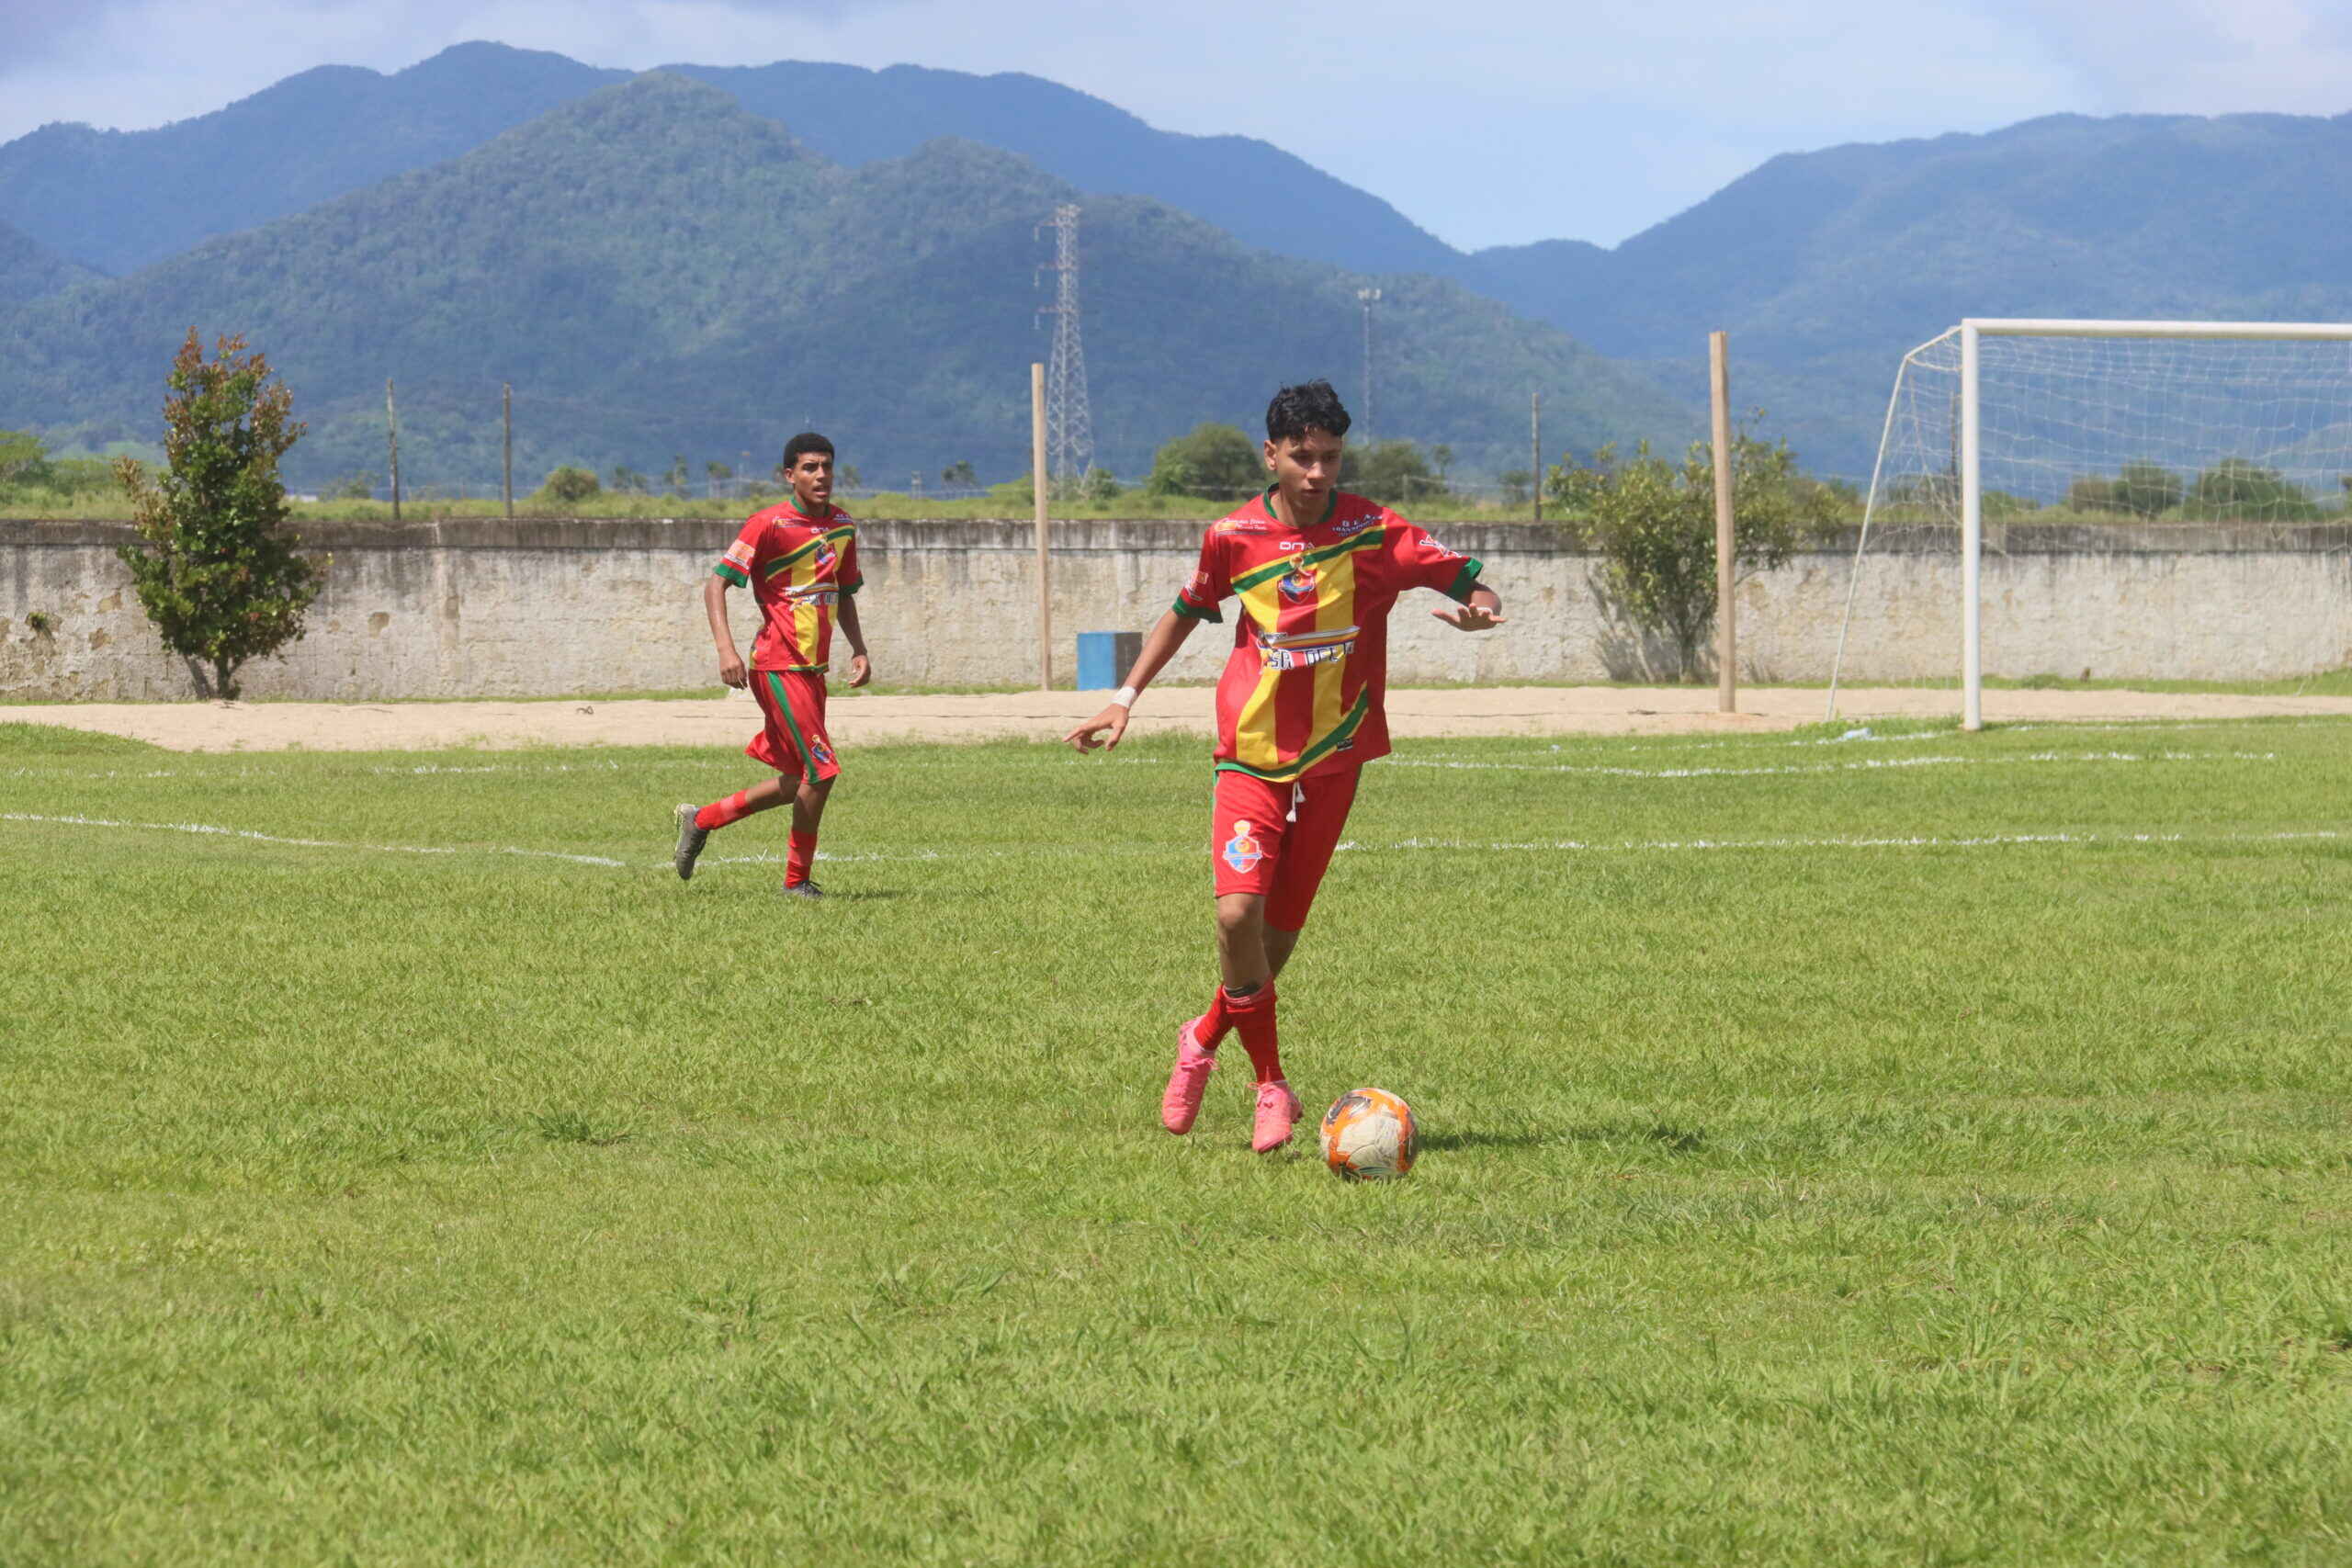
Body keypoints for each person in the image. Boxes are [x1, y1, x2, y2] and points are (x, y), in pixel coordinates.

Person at [1064, 381, 1505, 1151]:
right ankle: (1270, 1081)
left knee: (1273, 944)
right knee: (1236, 915)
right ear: (1271, 455)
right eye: (1301, 457)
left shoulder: (1375, 529)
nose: (1316, 472)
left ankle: (1200, 1035)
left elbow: (1471, 580)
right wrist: (1124, 696)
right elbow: (1185, 611)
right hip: (1252, 758)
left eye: (1329, 457)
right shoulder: (1232, 535)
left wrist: (1481, 611)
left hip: (1338, 760)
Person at [673, 432, 870, 897]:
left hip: (813, 671)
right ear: (789, 475)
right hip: (777, 666)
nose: (820, 475)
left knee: (796, 781)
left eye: (826, 466)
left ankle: (700, 820)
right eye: (809, 468)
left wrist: (859, 648)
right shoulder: (768, 524)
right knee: (822, 771)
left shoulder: (843, 526)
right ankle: (796, 882)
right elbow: (716, 584)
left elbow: (842, 594)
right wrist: (726, 650)